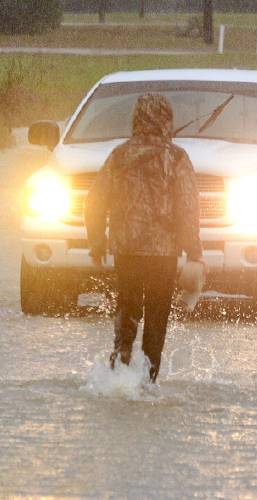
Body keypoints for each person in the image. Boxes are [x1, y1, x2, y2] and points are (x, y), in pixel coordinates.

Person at [84, 93, 205, 383]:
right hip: (163, 254)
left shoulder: (119, 155)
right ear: (167, 119)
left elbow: (94, 202)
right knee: (157, 315)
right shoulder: (176, 157)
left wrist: (97, 242)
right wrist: (195, 252)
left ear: (136, 118)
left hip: (126, 249)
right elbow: (188, 208)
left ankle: (119, 369)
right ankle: (149, 379)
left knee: (127, 308)